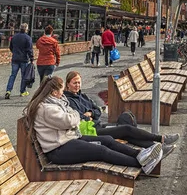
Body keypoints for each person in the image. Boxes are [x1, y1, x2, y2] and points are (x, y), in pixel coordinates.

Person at [23, 75, 163, 175]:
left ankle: (140, 154)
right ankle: (141, 164)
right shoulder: (46, 108)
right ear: (54, 92)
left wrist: (74, 115)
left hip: (69, 140)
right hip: (59, 151)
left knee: (107, 139)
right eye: (61, 90)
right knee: (101, 151)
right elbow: (71, 120)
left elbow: (71, 116)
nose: (62, 93)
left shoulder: (54, 103)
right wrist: (76, 116)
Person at [64, 71, 178, 157]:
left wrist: (91, 113)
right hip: (91, 131)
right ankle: (161, 139)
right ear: (68, 84)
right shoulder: (68, 101)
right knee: (126, 129)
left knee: (126, 133)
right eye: (74, 83)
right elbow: (79, 117)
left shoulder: (82, 96)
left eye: (79, 82)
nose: (77, 85)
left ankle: (159, 148)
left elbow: (98, 111)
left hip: (98, 125)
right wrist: (90, 114)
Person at [5, 23, 34, 99]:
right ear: (26, 29)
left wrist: (14, 53)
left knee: (13, 75)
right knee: (24, 76)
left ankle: (8, 90)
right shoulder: (28, 38)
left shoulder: (14, 37)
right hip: (24, 59)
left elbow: (11, 47)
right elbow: (29, 50)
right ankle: (22, 91)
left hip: (15, 58)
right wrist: (31, 58)